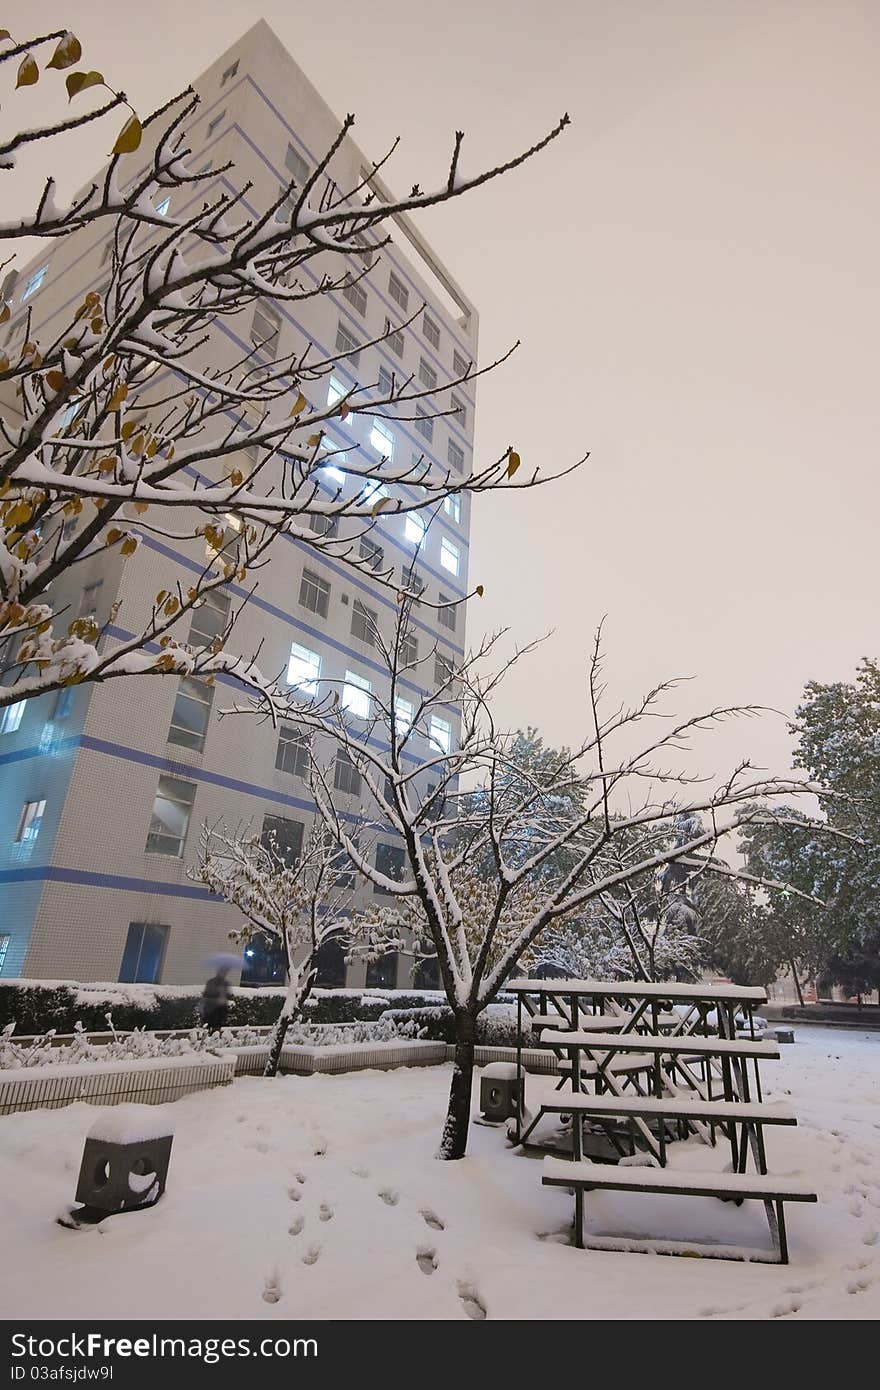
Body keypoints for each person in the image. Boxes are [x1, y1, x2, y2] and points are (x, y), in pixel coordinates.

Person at [201, 966, 231, 1033]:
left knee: (218, 1028)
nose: (224, 974)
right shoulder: (211, 982)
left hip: (221, 1009)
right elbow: (206, 994)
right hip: (211, 1009)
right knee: (209, 1028)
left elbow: (227, 996)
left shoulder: (225, 983)